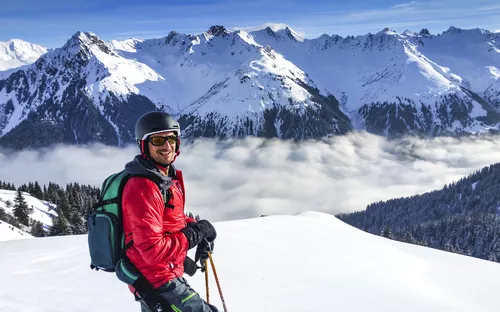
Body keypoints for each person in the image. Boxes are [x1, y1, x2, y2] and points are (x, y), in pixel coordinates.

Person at [121, 111, 219, 312]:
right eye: (158, 140)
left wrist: (198, 228)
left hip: (165, 274)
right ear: (144, 145)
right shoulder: (143, 187)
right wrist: (196, 233)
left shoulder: (163, 179)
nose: (167, 146)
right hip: (157, 280)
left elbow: (169, 220)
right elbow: (152, 251)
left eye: (172, 139)